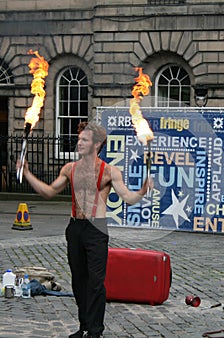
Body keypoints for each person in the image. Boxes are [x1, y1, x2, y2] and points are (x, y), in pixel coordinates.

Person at [17, 121, 152, 338]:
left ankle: (95, 331)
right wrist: (27, 173)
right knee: (78, 281)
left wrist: (143, 190)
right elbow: (49, 192)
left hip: (96, 229)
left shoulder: (110, 172)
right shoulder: (70, 169)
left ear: (97, 144)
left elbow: (129, 197)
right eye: (79, 139)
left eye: (84, 140)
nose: (79, 143)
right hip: (75, 228)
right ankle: (84, 327)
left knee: (96, 283)